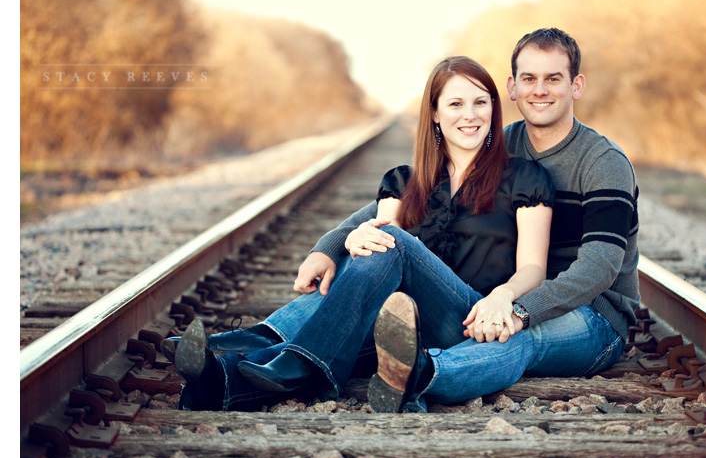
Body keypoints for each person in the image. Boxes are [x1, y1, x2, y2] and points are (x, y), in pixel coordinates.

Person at [283, 27, 641, 412]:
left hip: (591, 315)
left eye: (554, 79)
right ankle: (252, 356)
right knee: (362, 286)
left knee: (517, 338)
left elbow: (600, 268)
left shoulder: (603, 163)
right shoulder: (499, 147)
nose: (541, 90)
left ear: (576, 86)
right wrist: (331, 245)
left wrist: (518, 309)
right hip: (511, 298)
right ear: (513, 87)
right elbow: (406, 199)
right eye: (529, 79)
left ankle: (420, 374)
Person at [170, 56, 555, 412]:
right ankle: (219, 380)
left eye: (480, 102)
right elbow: (378, 257)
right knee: (376, 248)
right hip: (398, 332)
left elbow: (534, 268)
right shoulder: (404, 181)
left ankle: (268, 343)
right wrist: (353, 241)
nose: (469, 115)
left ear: (494, 107)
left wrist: (502, 298)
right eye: (455, 104)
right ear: (435, 113)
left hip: (470, 322)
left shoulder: (524, 178)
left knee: (390, 241)